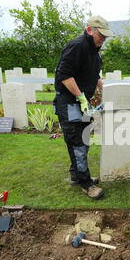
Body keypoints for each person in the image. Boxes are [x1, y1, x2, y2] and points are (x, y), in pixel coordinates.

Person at [54, 15, 113, 199]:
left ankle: (76, 175)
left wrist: (104, 86)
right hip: (70, 102)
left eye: (105, 36)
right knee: (78, 143)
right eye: (100, 35)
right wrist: (80, 97)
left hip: (83, 103)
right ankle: (86, 184)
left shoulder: (95, 50)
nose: (103, 39)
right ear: (90, 30)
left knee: (83, 141)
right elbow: (65, 75)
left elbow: (93, 74)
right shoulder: (77, 46)